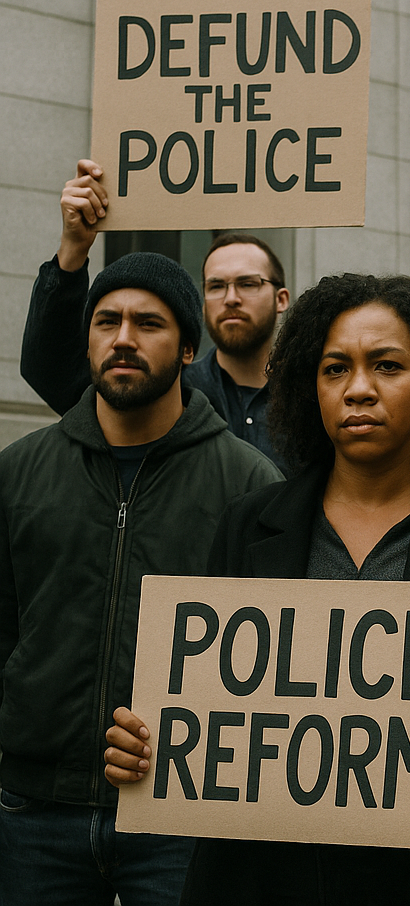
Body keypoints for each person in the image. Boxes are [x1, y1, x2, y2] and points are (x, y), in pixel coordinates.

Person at [104, 273, 410, 905]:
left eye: (387, 366)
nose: (358, 389)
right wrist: (143, 744)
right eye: (335, 369)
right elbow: (201, 699)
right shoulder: (249, 522)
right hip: (256, 880)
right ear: (312, 386)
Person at [0, 252, 282, 906]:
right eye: (106, 321)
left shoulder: (250, 485)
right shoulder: (18, 473)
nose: (123, 338)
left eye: (147, 323)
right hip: (33, 812)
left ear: (189, 349)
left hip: (181, 816)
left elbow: (269, 664)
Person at [20, 158, 291, 468]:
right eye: (216, 286)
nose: (231, 298)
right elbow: (50, 368)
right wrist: (73, 247)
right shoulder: (163, 387)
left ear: (281, 298)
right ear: (202, 305)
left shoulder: (311, 396)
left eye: (247, 283)